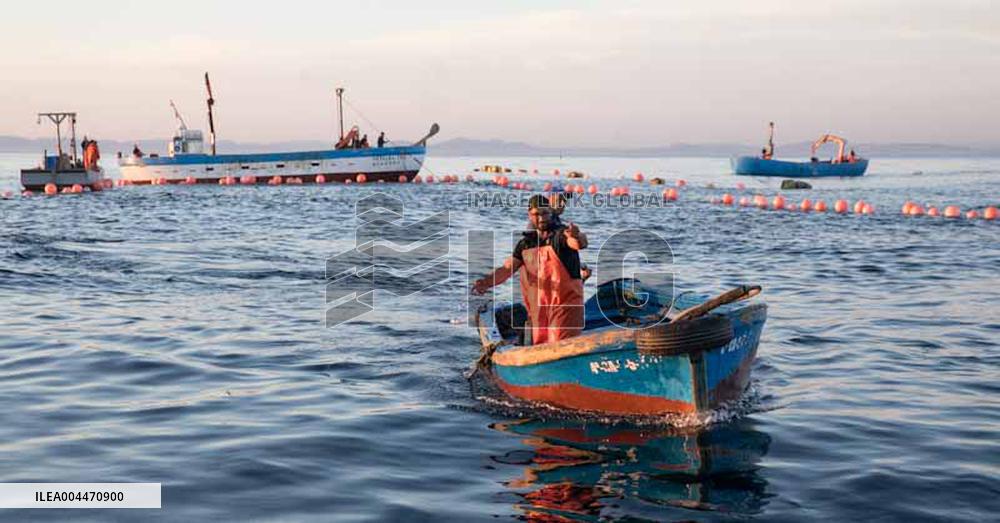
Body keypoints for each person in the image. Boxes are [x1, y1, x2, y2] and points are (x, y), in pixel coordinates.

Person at [472, 195, 588, 344]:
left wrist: (576, 236)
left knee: (561, 343)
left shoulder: (561, 235)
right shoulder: (525, 244)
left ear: (551, 213)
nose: (541, 218)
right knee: (540, 347)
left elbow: (579, 243)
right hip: (538, 309)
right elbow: (507, 268)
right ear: (529, 215)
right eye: (536, 214)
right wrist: (486, 283)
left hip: (565, 305)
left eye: (545, 213)